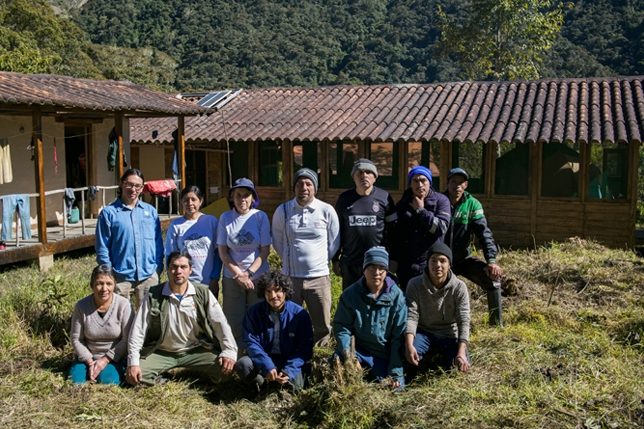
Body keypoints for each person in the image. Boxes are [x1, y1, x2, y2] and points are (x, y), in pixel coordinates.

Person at [126, 250, 237, 386]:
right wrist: (133, 362)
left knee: (226, 370)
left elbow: (220, 324)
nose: (178, 271)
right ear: (168, 270)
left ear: (190, 270)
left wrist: (229, 351)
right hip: (162, 351)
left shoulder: (203, 292)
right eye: (174, 267)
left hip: (196, 349)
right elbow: (138, 330)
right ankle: (163, 380)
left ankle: (200, 380)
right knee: (135, 376)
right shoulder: (153, 294)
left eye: (183, 267)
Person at [272, 168, 340, 346]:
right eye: (299, 184)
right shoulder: (283, 211)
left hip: (319, 278)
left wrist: (319, 263)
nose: (304, 187)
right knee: (290, 322)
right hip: (290, 278)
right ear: (294, 188)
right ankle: (293, 354)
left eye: (308, 183)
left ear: (314, 188)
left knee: (322, 324)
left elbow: (334, 242)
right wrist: (288, 262)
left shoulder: (326, 210)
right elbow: (277, 241)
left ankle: (318, 357)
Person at [332, 247, 407, 391]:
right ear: (364, 269)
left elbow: (398, 337)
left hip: (383, 354)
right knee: (339, 372)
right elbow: (342, 327)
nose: (376, 273)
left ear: (386, 271)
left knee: (394, 389)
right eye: (372, 267)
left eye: (381, 268)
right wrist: (350, 356)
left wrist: (395, 372)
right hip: (359, 350)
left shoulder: (397, 297)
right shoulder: (351, 295)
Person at [217, 178, 271, 355]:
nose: (242, 199)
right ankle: (237, 355)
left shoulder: (259, 216)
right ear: (232, 197)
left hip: (258, 277)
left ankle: (257, 354)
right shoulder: (225, 218)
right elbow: (223, 252)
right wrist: (239, 274)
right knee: (234, 318)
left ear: (252, 197)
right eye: (238, 195)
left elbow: (264, 250)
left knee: (258, 317)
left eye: (246, 195)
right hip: (232, 277)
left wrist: (249, 273)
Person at [443, 168, 503, 327]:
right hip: (441, 261)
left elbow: (484, 233)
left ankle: (496, 324)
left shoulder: (472, 204)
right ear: (447, 183)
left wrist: (491, 260)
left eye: (460, 182)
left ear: (466, 185)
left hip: (464, 258)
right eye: (453, 181)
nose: (456, 186)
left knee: (493, 279)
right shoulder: (438, 201)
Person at [235, 270, 314, 391]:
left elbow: (304, 348)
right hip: (265, 359)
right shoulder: (254, 312)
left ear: (285, 291)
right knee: (243, 365)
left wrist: (289, 371)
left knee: (297, 386)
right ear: (263, 293)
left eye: (277, 290)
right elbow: (251, 343)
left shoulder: (299, 314)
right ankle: (262, 385)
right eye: (268, 291)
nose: (273, 296)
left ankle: (283, 383)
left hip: (289, 360)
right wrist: (267, 366)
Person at [95, 168, 163, 307]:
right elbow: (102, 246)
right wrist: (109, 274)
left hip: (148, 275)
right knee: (121, 320)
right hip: (120, 276)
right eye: (129, 184)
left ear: (142, 188)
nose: (133, 189)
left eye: (138, 186)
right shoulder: (109, 213)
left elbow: (158, 243)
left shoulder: (150, 211)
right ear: (121, 184)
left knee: (149, 320)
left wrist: (158, 269)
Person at [405, 243, 471, 380]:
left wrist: (461, 351)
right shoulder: (415, 284)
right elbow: (411, 316)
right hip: (424, 332)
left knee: (460, 371)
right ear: (427, 263)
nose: (438, 265)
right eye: (433, 261)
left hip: (450, 334)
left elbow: (463, 319)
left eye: (442, 261)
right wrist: (409, 344)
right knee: (408, 358)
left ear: (449, 265)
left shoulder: (459, 287)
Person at [333, 158, 397, 290]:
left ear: (375, 177)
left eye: (368, 172)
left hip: (377, 263)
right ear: (353, 178)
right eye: (359, 173)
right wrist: (335, 259)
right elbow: (336, 231)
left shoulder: (384, 198)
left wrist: (394, 258)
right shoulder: (344, 199)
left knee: (376, 301)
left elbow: (394, 231)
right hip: (351, 262)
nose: (364, 176)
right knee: (351, 303)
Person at [69, 265, 134, 385]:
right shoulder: (81, 306)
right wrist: (90, 362)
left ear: (114, 285)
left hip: (114, 357)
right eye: (99, 283)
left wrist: (105, 360)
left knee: (109, 382)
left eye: (109, 284)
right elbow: (76, 339)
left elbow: (127, 339)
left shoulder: (124, 305)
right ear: (92, 285)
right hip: (88, 356)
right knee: (76, 382)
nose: (104, 289)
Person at [389, 166, 451, 290]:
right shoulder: (402, 205)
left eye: (423, 180)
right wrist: (394, 260)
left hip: (431, 265)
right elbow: (395, 236)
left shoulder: (441, 201)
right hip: (406, 266)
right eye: (415, 181)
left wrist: (421, 211)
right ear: (410, 184)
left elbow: (440, 229)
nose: (420, 184)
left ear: (429, 183)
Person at [165, 186, 222, 297]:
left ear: (201, 201)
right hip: (184, 282)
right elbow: (170, 256)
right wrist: (173, 280)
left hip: (207, 281)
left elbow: (218, 253)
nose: (189, 203)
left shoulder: (211, 222)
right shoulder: (176, 225)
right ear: (181, 202)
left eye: (193, 199)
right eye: (185, 200)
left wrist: (215, 278)